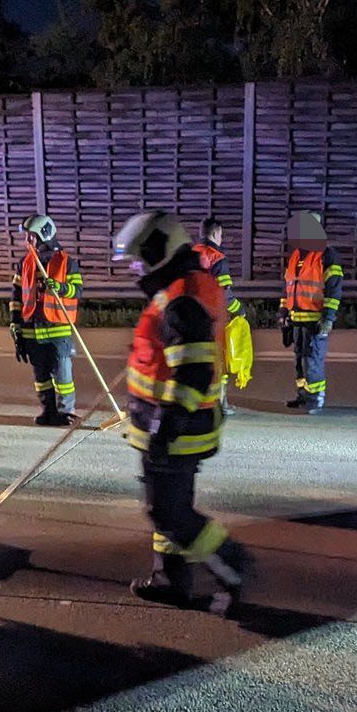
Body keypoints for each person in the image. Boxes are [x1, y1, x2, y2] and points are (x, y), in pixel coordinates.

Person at [113, 210, 253, 612]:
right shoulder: (183, 285)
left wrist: (164, 428)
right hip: (175, 427)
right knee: (167, 510)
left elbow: (193, 369)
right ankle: (170, 579)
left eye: (140, 259)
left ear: (160, 251)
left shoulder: (180, 299)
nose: (136, 268)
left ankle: (232, 565)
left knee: (170, 513)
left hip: (177, 430)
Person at [10, 213, 83, 427]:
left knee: (63, 376)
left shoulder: (66, 262)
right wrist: (16, 326)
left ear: (44, 235)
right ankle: (48, 410)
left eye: (30, 237)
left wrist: (60, 288)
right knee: (41, 377)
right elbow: (16, 296)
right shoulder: (25, 263)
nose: (27, 242)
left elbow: (77, 290)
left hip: (57, 330)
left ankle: (65, 412)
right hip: (32, 330)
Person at [279, 210, 344, 412]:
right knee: (299, 360)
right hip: (297, 319)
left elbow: (334, 288)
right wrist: (283, 313)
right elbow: (289, 287)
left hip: (315, 319)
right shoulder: (296, 256)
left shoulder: (327, 254)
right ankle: (303, 395)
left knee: (312, 360)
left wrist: (328, 318)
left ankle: (316, 399)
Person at [194, 217, 247, 411]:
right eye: (221, 235)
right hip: (212, 317)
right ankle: (219, 404)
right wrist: (238, 310)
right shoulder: (217, 258)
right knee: (218, 361)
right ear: (216, 234)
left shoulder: (190, 255)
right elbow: (224, 292)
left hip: (189, 317)